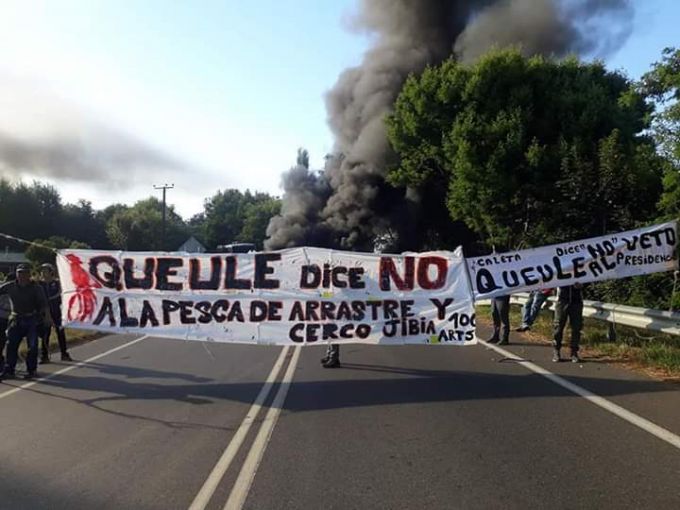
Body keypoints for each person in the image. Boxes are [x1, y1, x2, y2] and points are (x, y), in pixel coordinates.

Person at [0, 264, 50, 380]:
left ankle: (31, 370)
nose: (22, 275)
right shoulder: (10, 286)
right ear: (17, 274)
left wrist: (47, 317)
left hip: (31, 319)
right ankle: (9, 370)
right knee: (11, 345)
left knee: (32, 346)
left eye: (25, 273)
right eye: (20, 273)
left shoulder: (36, 288)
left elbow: (44, 304)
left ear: (29, 274)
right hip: (16, 318)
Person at [39, 263, 73, 363]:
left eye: (45, 270)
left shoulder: (57, 283)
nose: (43, 272)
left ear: (51, 272)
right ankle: (44, 356)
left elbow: (62, 294)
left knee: (60, 333)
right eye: (42, 270)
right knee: (45, 334)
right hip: (44, 313)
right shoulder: (39, 284)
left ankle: (64, 354)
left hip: (56, 311)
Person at [552, 283, 584, 363]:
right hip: (562, 300)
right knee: (558, 326)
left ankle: (574, 352)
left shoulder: (580, 270)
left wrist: (583, 284)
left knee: (576, 327)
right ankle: (556, 350)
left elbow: (589, 277)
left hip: (576, 301)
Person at [0, 273, 14, 377]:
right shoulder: (2, 288)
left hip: (9, 318)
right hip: (2, 317)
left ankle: (6, 364)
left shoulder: (16, 291)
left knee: (7, 340)